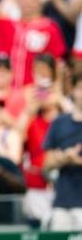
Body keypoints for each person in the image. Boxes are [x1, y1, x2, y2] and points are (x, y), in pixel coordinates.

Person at [43, 72, 82, 230]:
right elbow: (46, 166)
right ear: (73, 90)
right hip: (62, 204)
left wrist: (77, 161)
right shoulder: (59, 123)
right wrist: (64, 158)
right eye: (80, 88)